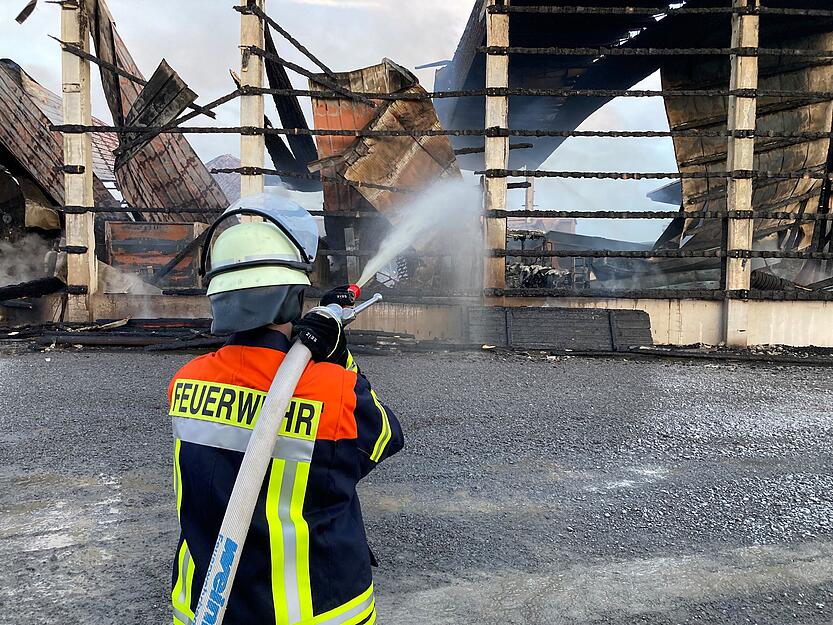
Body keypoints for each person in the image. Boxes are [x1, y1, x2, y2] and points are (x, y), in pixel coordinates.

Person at [167, 194, 403, 625]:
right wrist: (338, 355)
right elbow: (386, 437)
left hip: (206, 606)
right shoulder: (332, 388)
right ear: (293, 296)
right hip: (315, 612)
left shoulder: (186, 381)